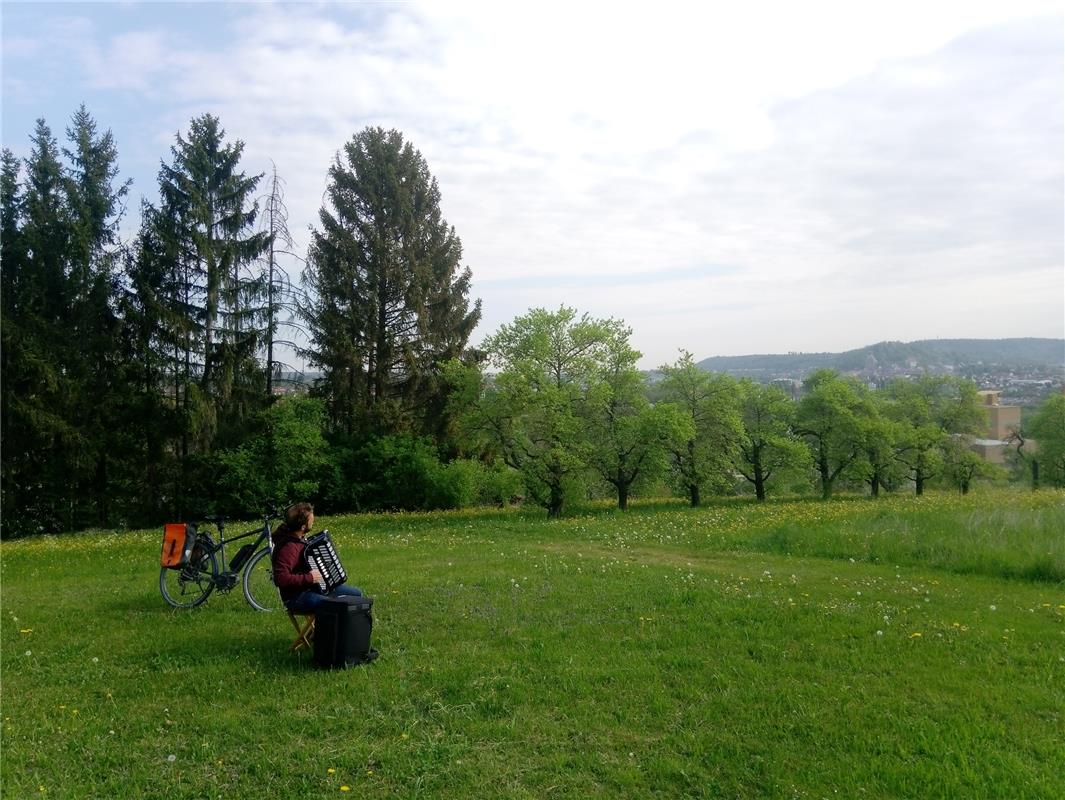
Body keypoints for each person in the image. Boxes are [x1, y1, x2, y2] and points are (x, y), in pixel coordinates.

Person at [272, 502, 362, 613]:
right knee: (334, 606)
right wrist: (309, 578)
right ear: (303, 526)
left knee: (356, 595)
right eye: (311, 518)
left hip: (314, 588)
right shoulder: (289, 547)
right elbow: (280, 578)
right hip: (297, 598)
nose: (313, 519)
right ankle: (326, 630)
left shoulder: (298, 537)